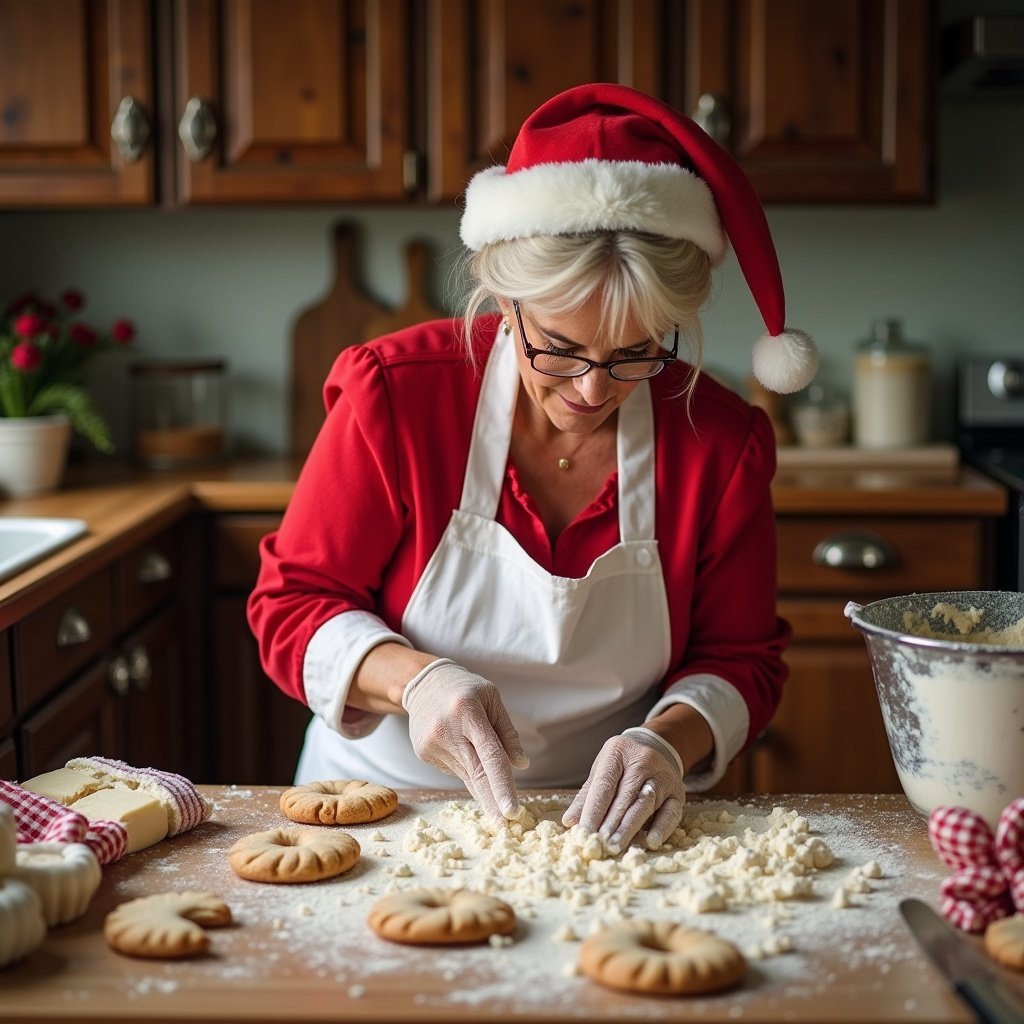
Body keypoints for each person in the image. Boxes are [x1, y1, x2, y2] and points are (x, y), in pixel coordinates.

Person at [248, 83, 817, 853]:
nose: (592, 390)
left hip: (605, 827)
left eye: (636, 353)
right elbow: (292, 606)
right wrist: (416, 682)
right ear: (503, 301)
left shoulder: (719, 441)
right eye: (560, 347)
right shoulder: (398, 396)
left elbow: (743, 659)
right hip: (385, 811)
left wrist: (666, 744)